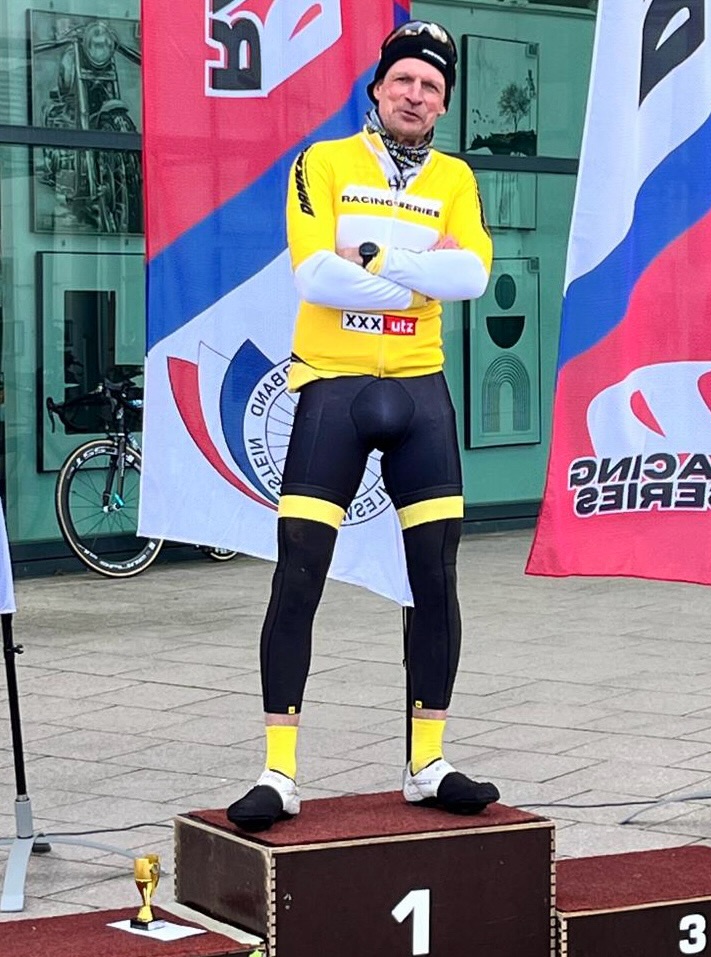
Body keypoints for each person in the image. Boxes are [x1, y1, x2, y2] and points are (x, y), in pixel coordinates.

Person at [227, 20, 499, 832]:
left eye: (432, 87)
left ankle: (428, 763)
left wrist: (376, 258)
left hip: (420, 394)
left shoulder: (455, 178)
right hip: (333, 390)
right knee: (299, 573)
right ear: (378, 88)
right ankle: (278, 773)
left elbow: (473, 274)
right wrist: (421, 276)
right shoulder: (324, 161)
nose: (416, 95)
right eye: (404, 80)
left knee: (436, 579)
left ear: (442, 105)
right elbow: (314, 274)